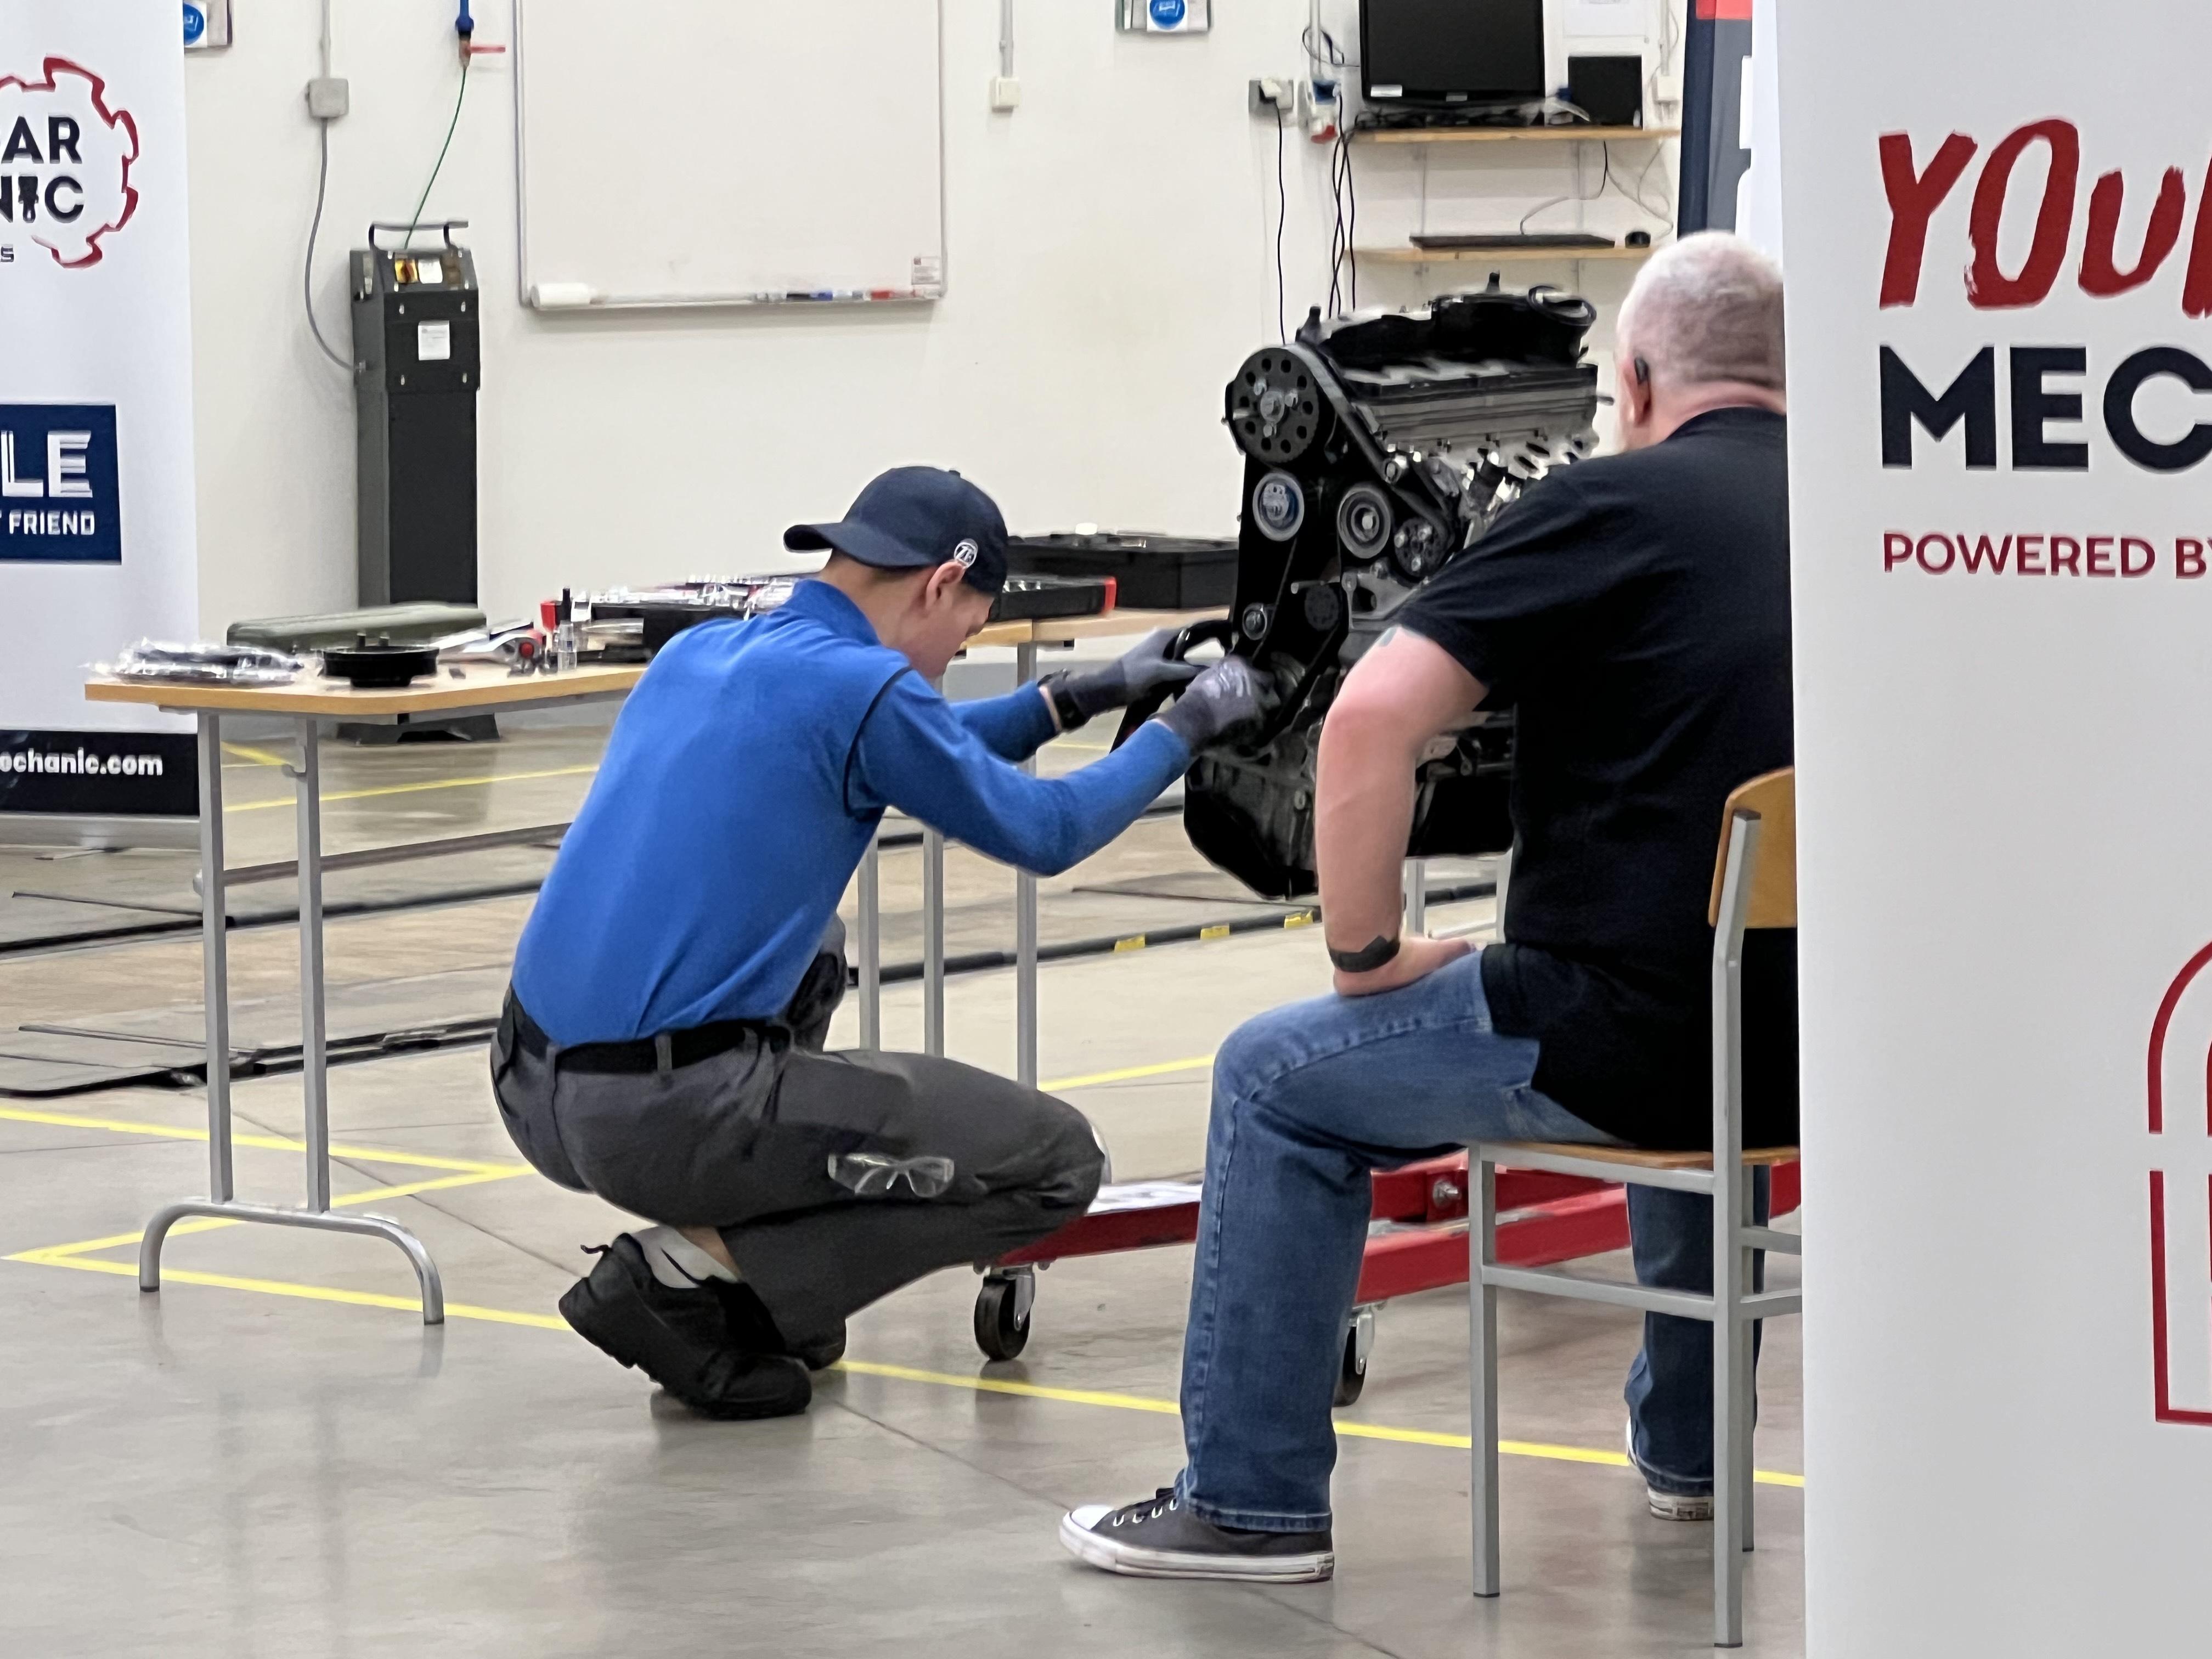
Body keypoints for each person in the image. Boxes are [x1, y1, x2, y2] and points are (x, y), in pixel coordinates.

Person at [1061, 233, 1797, 1582]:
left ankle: (1250, 1503)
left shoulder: (1602, 508)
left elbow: (1368, 722)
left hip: (1625, 1047)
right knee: (1713, 997)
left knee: (1273, 1078)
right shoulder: (1873, 521)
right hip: (1819, 1051)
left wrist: (1365, 954)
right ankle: (1695, 1456)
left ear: (1636, 382)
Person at [493, 466, 1271, 1421]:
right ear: (941, 584)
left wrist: (1078, 697)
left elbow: (915, 741)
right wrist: (1188, 727)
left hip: (530, 1086)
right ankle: (687, 1274)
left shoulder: (702, 653)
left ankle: (746, 1283)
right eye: (968, 631)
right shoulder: (866, 690)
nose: (956, 655)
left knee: (815, 947)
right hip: (652, 1117)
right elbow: (1048, 831)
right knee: (1057, 1164)